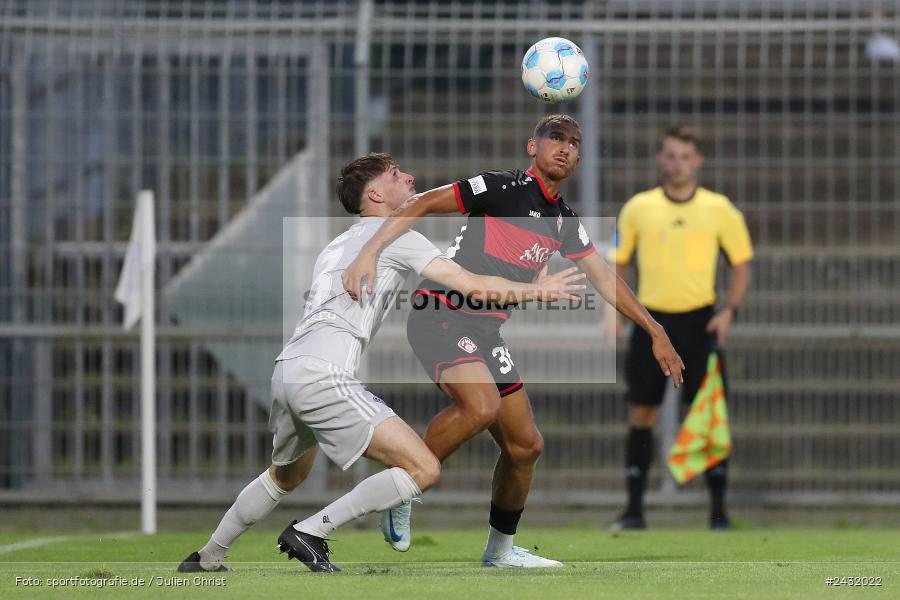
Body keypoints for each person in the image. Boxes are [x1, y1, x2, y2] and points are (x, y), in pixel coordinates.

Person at [177, 153, 586, 573]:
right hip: (324, 375)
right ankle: (312, 531)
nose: (409, 176)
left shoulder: (339, 242)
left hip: (288, 369)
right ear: (374, 194)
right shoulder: (396, 236)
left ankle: (208, 556)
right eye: (395, 175)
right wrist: (539, 290)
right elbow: (474, 285)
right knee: (422, 468)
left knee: (283, 477)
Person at [341, 115, 685, 568]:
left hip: (484, 330)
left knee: (525, 447)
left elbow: (604, 278)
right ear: (532, 146)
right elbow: (421, 203)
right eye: (555, 138)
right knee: (481, 407)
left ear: (579, 157)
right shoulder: (499, 188)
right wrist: (369, 252)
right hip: (443, 312)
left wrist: (656, 330)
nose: (564, 148)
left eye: (573, 143)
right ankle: (405, 483)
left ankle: (499, 552)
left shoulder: (564, 221)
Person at [606, 125, 753, 531]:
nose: (677, 164)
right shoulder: (639, 207)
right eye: (670, 155)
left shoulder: (719, 209)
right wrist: (616, 313)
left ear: (697, 161)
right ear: (660, 159)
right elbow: (617, 264)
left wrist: (729, 311)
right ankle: (634, 510)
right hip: (652, 323)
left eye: (685, 156)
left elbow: (740, 267)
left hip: (699, 321)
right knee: (641, 412)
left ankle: (718, 513)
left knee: (707, 415)